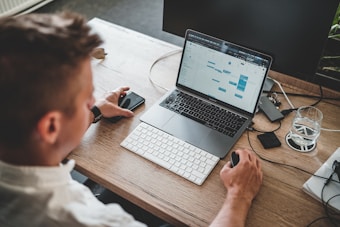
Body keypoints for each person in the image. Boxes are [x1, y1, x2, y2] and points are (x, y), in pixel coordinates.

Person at [0, 12, 262, 227]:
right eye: (86, 98)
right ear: (51, 126)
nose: (94, 100)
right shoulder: (88, 219)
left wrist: (93, 113)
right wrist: (240, 195)